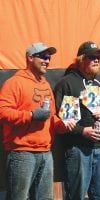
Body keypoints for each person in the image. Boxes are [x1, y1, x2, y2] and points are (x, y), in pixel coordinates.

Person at [0, 42, 75, 200]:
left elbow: (52, 116)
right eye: (43, 56)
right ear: (30, 57)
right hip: (21, 153)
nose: (47, 61)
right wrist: (31, 115)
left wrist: (62, 125)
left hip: (46, 153)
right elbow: (2, 112)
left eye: (49, 57)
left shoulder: (46, 85)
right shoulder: (14, 83)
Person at [53, 41, 100, 199]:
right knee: (76, 196)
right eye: (91, 57)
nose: (96, 60)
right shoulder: (68, 83)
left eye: (98, 57)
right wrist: (83, 131)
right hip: (78, 149)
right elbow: (62, 120)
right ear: (80, 59)